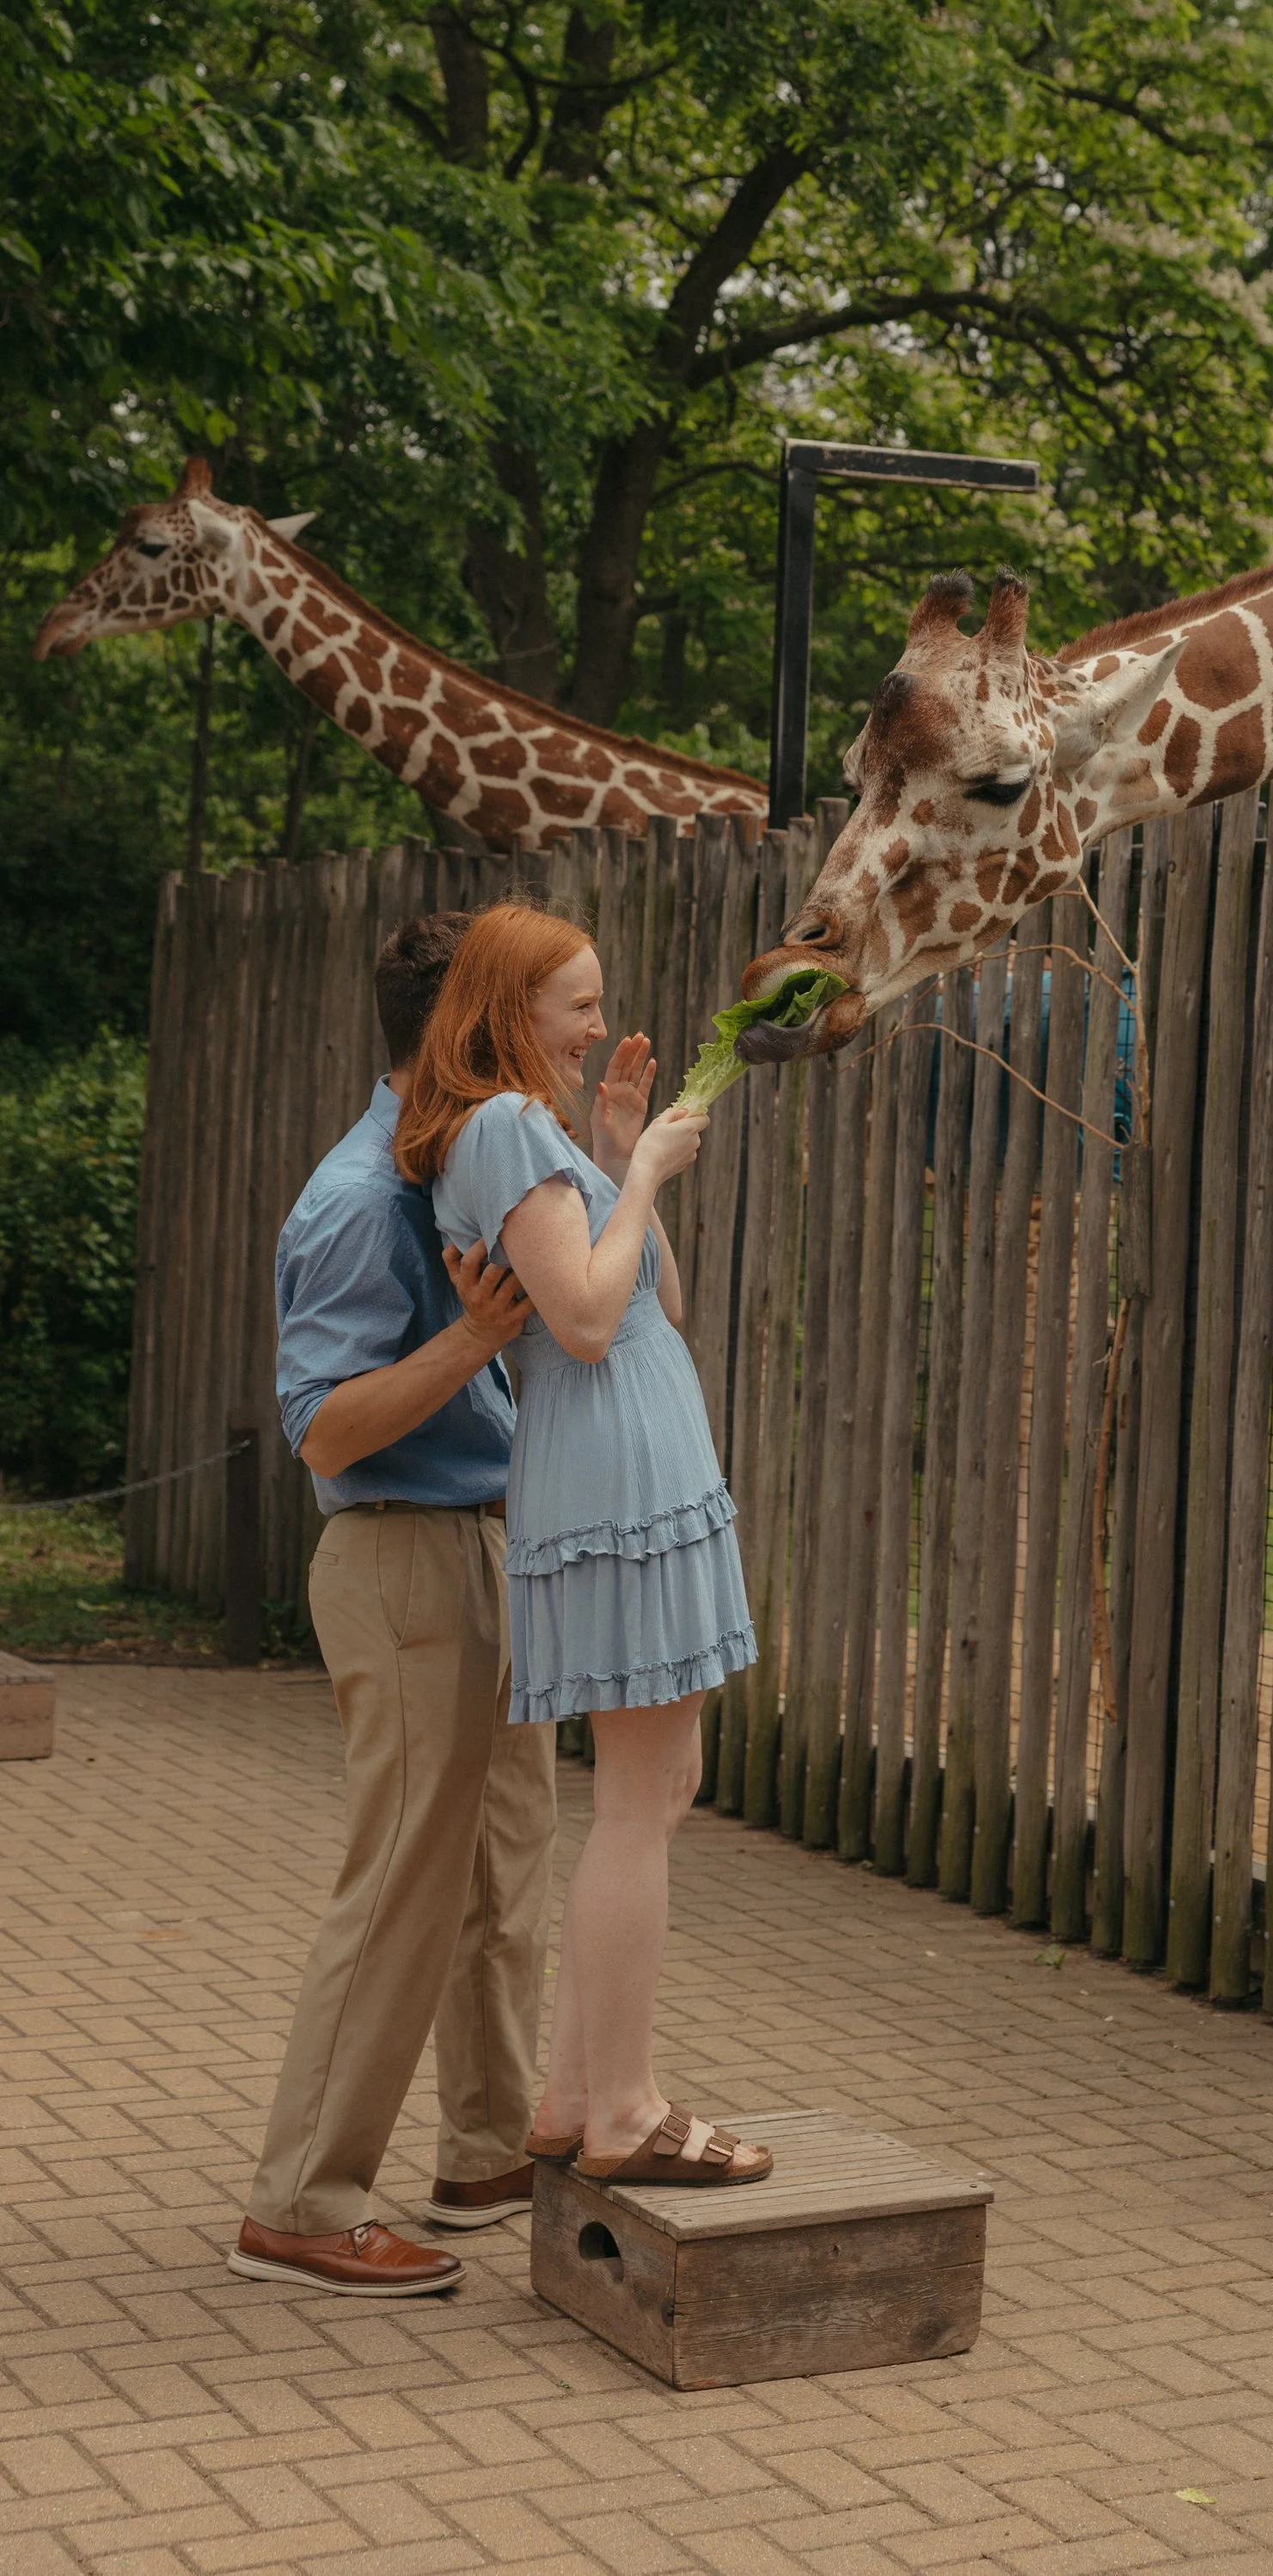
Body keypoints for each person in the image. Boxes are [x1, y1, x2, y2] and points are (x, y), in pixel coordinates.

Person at [395, 902, 771, 2188]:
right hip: (612, 1472)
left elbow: (659, 1295)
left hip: (637, 1464)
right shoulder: (500, 1128)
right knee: (633, 1804)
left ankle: (567, 2097)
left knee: (658, 1789)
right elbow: (591, 1320)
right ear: (511, 1009)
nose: (601, 1025)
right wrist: (654, 1168)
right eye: (579, 1003)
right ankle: (625, 2107)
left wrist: (615, 1152)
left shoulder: (539, 1132)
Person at [230, 912, 555, 2300]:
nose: (574, 1032)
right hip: (403, 1561)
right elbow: (323, 1428)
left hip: (482, 1552)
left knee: (502, 1881)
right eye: (551, 1010)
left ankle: (488, 2151)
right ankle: (303, 2201)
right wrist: (475, 1338)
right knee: (404, 1892)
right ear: (470, 1030)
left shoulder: (458, 1174)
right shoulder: (362, 1198)